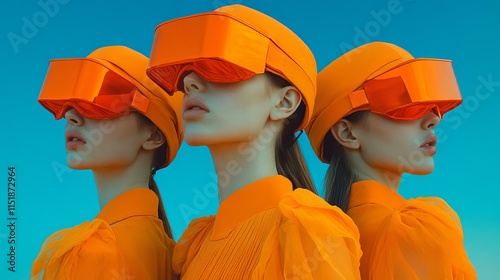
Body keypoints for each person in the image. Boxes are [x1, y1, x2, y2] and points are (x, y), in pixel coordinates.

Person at [146, 4, 362, 279]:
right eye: (185, 72)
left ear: (284, 102)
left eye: (221, 65)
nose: (190, 82)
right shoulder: (194, 248)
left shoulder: (313, 230)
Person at [305, 41, 477, 279]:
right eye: (404, 103)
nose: (432, 119)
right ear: (347, 133)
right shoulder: (414, 231)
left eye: (432, 105)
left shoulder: (311, 238)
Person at [31, 46, 183, 280]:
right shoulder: (175, 256)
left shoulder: (94, 252)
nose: (71, 115)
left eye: (101, 100)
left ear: (153, 136)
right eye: (71, 102)